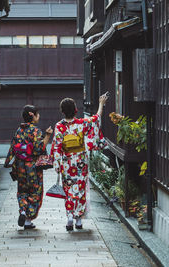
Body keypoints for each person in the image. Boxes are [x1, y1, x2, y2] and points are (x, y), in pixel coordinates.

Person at [50, 94, 108, 231]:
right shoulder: (81, 123)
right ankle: (79, 220)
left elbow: (57, 146)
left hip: (66, 162)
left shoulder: (59, 126)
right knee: (80, 190)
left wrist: (57, 164)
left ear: (62, 111)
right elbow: (96, 119)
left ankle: (70, 216)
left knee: (69, 189)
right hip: (81, 161)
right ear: (75, 109)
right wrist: (101, 104)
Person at [5, 105, 53, 229]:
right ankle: (28, 218)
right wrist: (47, 136)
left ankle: (22, 211)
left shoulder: (19, 130)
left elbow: (12, 147)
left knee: (22, 191)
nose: (39, 116)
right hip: (33, 166)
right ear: (33, 116)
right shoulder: (36, 131)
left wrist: (8, 161)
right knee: (35, 191)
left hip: (20, 166)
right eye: (38, 114)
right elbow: (38, 149)